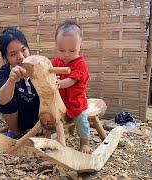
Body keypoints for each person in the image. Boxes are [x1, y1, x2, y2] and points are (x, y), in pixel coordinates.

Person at [52, 20, 92, 154]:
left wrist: (60, 83)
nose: (67, 54)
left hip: (75, 101)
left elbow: (72, 80)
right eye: (61, 50)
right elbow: (49, 71)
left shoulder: (80, 64)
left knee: (81, 120)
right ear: (56, 46)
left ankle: (84, 142)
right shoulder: (57, 62)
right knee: (49, 116)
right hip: (61, 101)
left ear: (80, 46)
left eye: (72, 50)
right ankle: (47, 135)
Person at [0, 28, 40, 139]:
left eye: (23, 50)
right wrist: (11, 81)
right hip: (19, 122)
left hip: (40, 119)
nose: (21, 56)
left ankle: (43, 129)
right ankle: (15, 133)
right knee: (4, 101)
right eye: (13, 54)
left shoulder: (40, 67)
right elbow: (2, 100)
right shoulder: (3, 74)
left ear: (28, 48)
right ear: (6, 58)